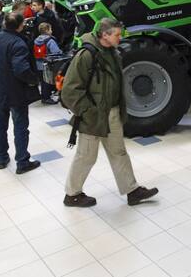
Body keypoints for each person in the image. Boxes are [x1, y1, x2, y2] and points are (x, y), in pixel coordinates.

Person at [61, 18, 158, 207]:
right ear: (104, 35)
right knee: (86, 156)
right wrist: (88, 111)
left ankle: (132, 190)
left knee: (119, 152)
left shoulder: (112, 53)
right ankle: (72, 194)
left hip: (112, 113)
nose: (120, 38)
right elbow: (70, 91)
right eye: (117, 34)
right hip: (93, 117)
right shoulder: (86, 55)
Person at [0, 13, 41, 173]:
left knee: (0, 125)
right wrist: (34, 80)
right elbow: (21, 69)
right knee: (20, 126)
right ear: (20, 26)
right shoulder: (19, 43)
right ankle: (22, 162)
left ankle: (1, 159)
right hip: (15, 92)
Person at [33, 22, 62, 105]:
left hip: (38, 64)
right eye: (50, 29)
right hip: (48, 64)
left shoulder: (37, 40)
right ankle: (46, 98)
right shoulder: (50, 40)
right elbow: (56, 52)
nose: (51, 31)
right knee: (48, 82)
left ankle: (44, 96)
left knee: (43, 81)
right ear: (47, 30)